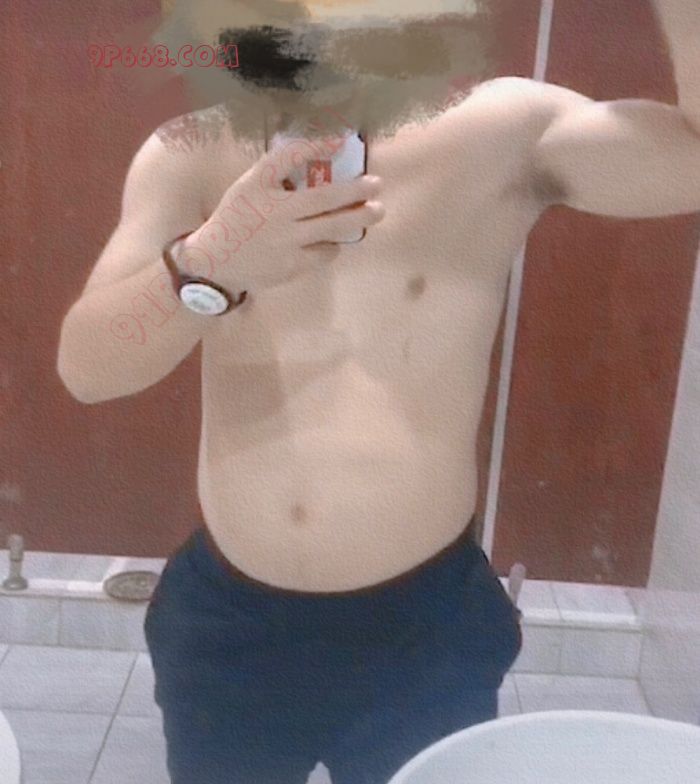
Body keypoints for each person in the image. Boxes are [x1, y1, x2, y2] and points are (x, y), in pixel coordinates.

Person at [56, 1, 700, 782]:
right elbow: (87, 369)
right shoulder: (190, 154)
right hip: (229, 626)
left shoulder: (501, 132)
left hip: (426, 631)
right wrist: (213, 262)